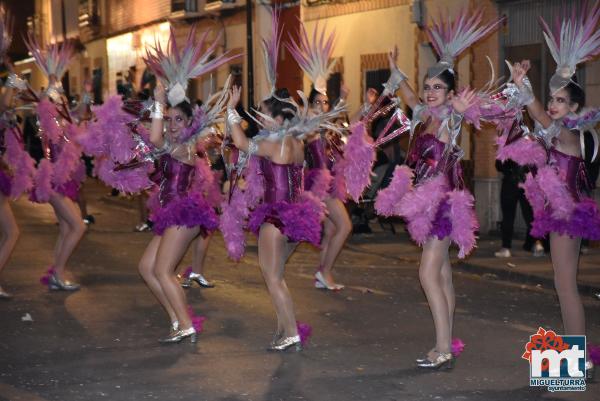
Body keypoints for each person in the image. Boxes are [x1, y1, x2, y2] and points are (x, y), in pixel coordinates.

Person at [375, 10, 503, 369]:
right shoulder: (425, 114)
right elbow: (411, 96)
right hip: (425, 203)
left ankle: (443, 347)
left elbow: (464, 114)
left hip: (443, 205)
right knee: (442, 273)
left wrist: (464, 107)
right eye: (428, 87)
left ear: (450, 93)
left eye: (438, 89)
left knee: (427, 273)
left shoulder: (449, 116)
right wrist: (396, 72)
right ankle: (446, 342)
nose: (430, 94)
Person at [509, 3, 600, 378]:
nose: (554, 105)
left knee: (565, 286)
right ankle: (578, 356)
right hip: (563, 211)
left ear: (575, 106)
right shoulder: (559, 134)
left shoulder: (570, 134)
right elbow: (538, 127)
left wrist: (524, 88)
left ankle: (578, 361)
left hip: (568, 213)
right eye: (553, 99)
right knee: (565, 285)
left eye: (561, 100)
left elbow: (543, 119)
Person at [287, 21, 349, 290]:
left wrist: (346, 102)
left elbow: (344, 123)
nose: (323, 106)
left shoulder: (323, 121)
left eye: (325, 102)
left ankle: (323, 274)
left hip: (330, 179)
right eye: (318, 102)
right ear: (310, 105)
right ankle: (325, 271)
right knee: (345, 227)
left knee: (332, 229)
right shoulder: (309, 122)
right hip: (317, 182)